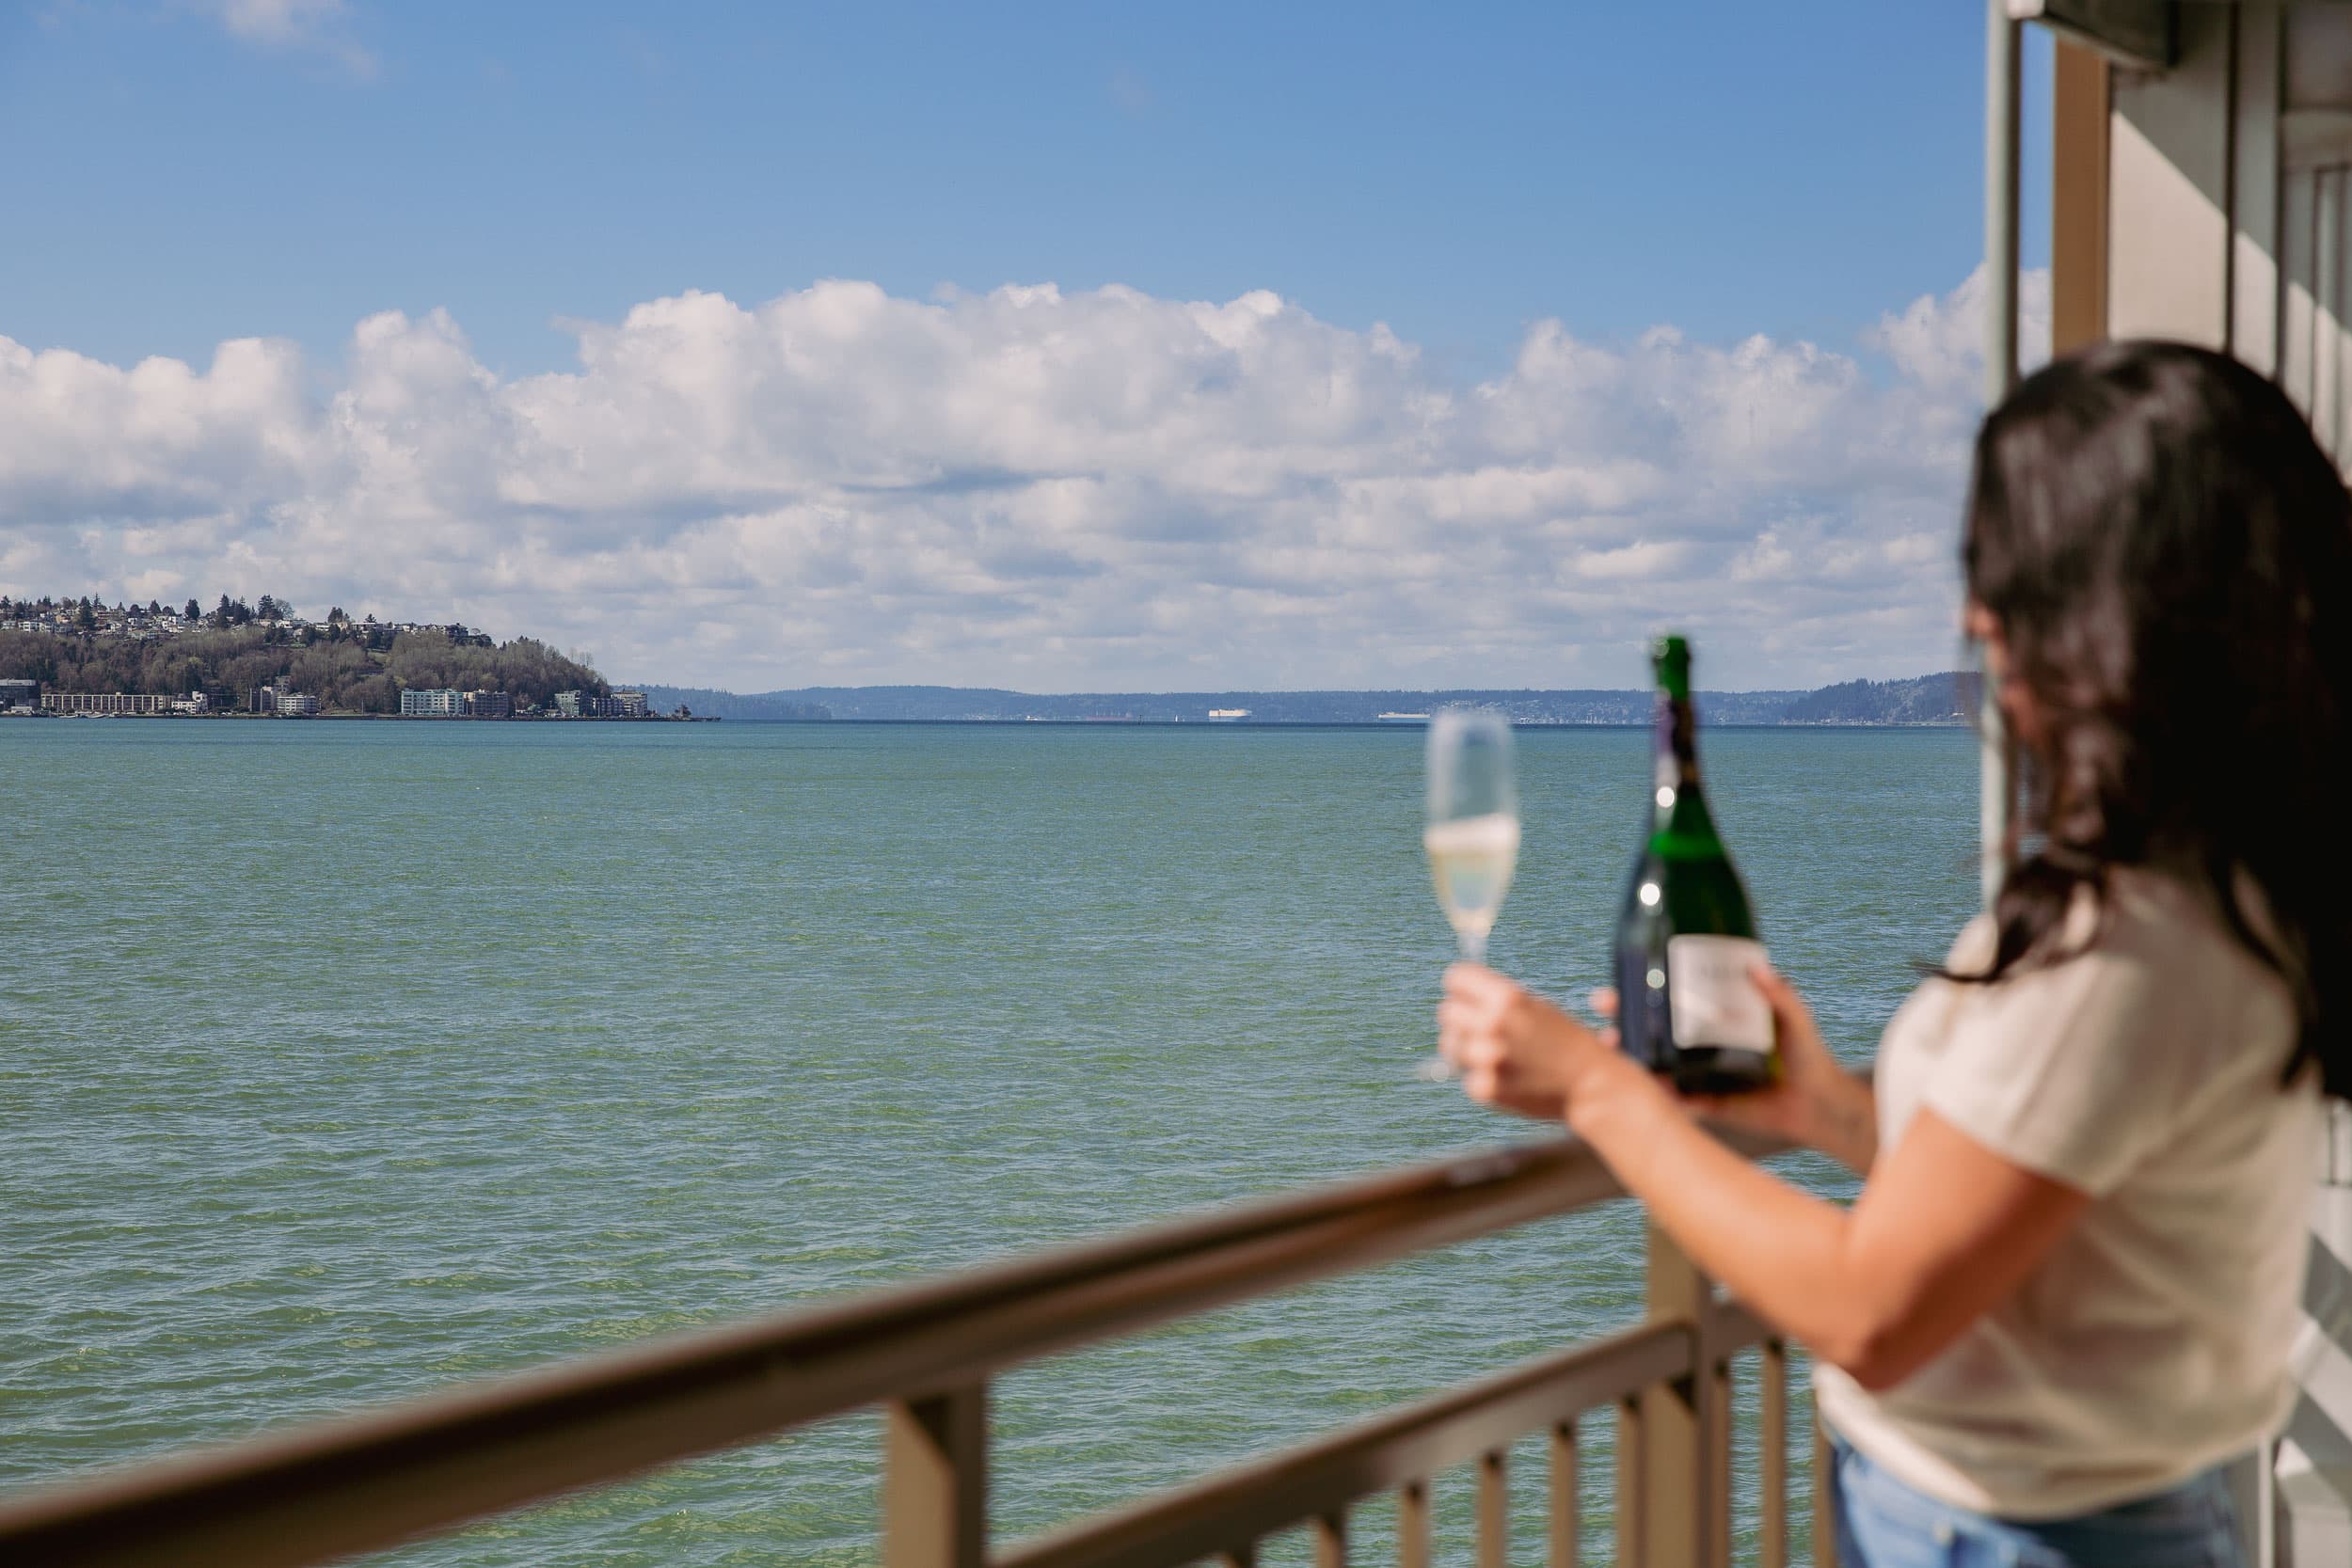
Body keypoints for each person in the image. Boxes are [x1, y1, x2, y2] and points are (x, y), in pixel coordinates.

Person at [1437, 340, 2347, 1568]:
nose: (1977, 618)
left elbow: (1872, 1311)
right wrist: (1827, 1108)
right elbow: (2045, 1196)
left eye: (2003, 571)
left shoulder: (2132, 941)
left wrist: (1597, 1095)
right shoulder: (2224, 883)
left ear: (2109, 609)